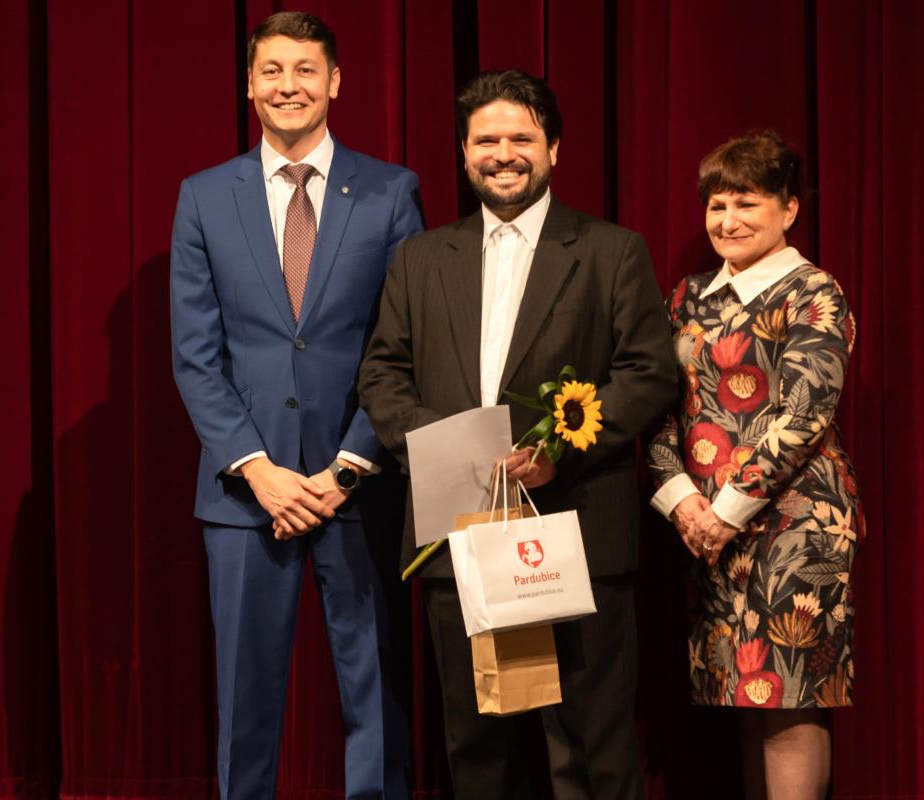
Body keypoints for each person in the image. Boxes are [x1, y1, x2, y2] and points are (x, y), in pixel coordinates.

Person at [359, 69, 677, 800]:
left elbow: (647, 371)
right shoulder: (419, 259)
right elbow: (382, 374)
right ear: (464, 153)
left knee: (592, 745)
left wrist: (555, 452)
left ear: (555, 148)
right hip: (458, 533)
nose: (503, 153)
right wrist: (448, 451)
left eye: (521, 138)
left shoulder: (611, 251)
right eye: (486, 140)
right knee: (477, 746)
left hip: (577, 528)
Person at [170, 11, 423, 800]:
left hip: (361, 485)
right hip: (248, 497)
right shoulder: (205, 197)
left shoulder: (390, 191)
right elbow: (195, 356)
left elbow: (404, 343)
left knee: (375, 692)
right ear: (249, 85)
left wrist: (347, 467)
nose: (288, 86)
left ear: (335, 82)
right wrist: (259, 471)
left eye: (305, 70)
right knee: (244, 701)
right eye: (272, 70)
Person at [646, 130, 863, 799]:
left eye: (747, 204)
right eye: (717, 205)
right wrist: (683, 502)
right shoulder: (684, 297)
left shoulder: (814, 293)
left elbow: (804, 415)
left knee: (788, 698)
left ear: (789, 210)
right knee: (740, 695)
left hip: (795, 526)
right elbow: (657, 410)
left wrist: (727, 511)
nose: (728, 220)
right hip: (705, 530)